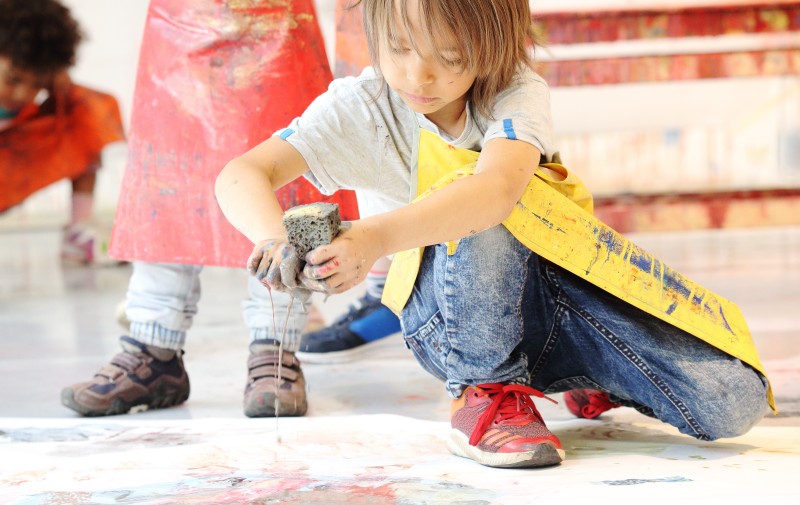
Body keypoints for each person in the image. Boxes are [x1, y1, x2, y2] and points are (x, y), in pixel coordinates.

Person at [216, 0, 775, 469]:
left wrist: (370, 239)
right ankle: (488, 392)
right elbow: (241, 174)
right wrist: (273, 239)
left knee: (732, 402)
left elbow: (497, 189)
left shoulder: (514, 92)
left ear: (496, 45)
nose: (419, 76)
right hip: (454, 324)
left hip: (554, 300)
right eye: (400, 49)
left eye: (451, 57)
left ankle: (570, 376)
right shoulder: (362, 108)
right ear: (376, 34)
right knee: (471, 205)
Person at [60, 0, 360, 419]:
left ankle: (274, 353)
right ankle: (152, 351)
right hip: (178, 29)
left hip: (278, 25)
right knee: (167, 188)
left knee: (284, 182)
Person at [0, 0, 125, 264]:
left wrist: (60, 89)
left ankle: (79, 229)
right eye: (13, 80)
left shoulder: (45, 102)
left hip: (10, 167)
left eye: (38, 85)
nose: (23, 94)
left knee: (85, 107)